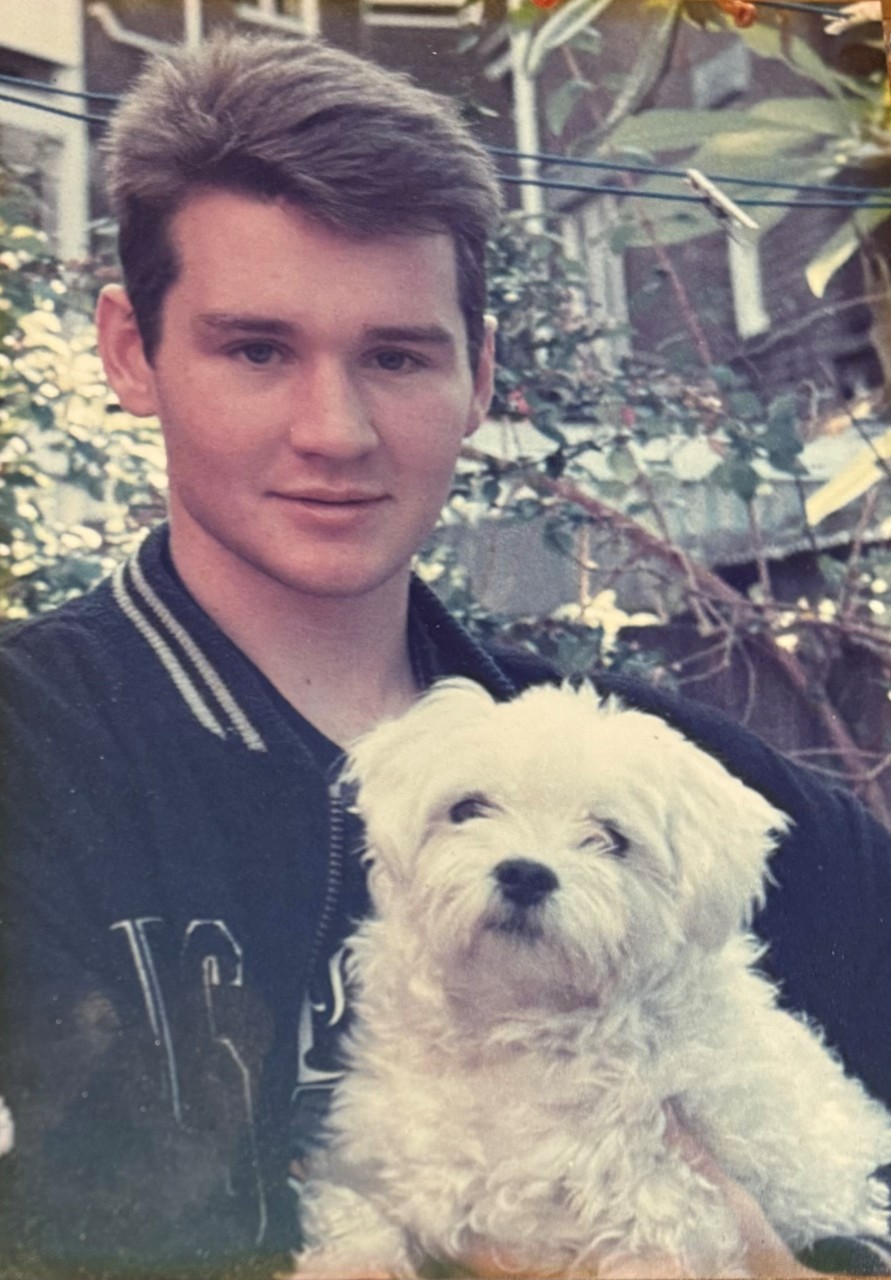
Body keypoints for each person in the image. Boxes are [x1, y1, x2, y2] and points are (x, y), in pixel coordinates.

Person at [0, 29, 889, 1280]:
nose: (335, 429)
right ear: (130, 351)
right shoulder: (33, 757)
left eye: (397, 355)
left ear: (480, 375)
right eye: (256, 348)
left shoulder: (662, 771)